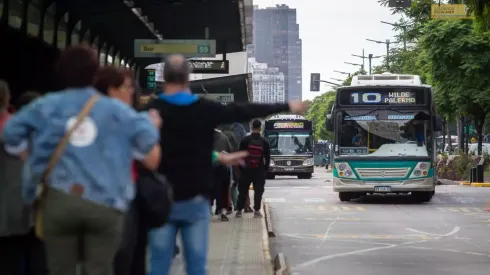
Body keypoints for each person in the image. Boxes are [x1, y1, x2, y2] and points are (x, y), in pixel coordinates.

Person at [2, 45, 162, 275]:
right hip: (105, 203)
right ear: (95, 73)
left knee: (60, 268)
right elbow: (147, 143)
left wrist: (30, 153)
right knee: (100, 268)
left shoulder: (46, 105)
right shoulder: (116, 110)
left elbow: (11, 133)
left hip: (60, 201)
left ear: (60, 71)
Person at [144, 54, 307, 275]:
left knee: (159, 264)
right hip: (196, 198)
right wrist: (286, 105)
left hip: (160, 199)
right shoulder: (205, 109)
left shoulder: (151, 111)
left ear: (164, 77)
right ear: (188, 77)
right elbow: (244, 110)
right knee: (196, 265)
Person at [235, 119, 271, 218]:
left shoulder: (245, 140)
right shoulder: (264, 141)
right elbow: (267, 158)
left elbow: (240, 156)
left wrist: (241, 168)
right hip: (259, 170)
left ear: (251, 127)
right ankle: (256, 211)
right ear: (260, 128)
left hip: (246, 170)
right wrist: (265, 170)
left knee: (243, 190)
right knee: (258, 191)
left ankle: (239, 211)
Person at [211, 129, 233, 221]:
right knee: (224, 190)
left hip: (211, 168)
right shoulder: (224, 137)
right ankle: (222, 211)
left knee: (211, 189)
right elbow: (230, 150)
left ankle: (209, 209)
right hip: (224, 168)